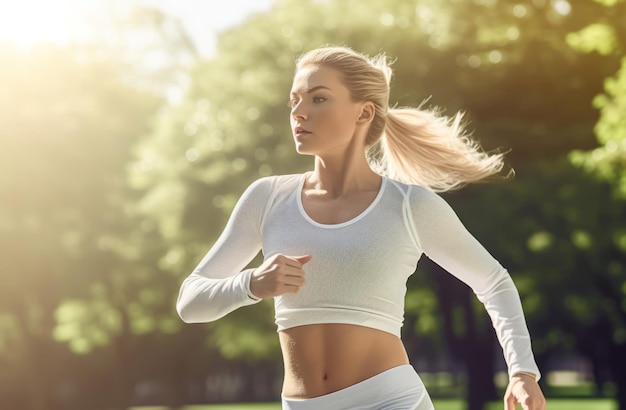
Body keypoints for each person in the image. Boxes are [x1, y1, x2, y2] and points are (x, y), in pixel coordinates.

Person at [176, 46, 547, 410]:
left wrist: (522, 372)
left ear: (363, 113)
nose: (299, 113)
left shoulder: (408, 206)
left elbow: (493, 282)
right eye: (295, 100)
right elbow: (190, 302)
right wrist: (252, 284)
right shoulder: (267, 198)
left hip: (389, 400)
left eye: (318, 99)